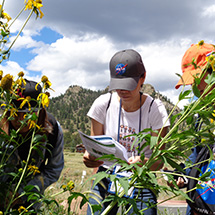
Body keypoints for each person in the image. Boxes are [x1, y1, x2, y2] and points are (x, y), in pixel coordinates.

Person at [83, 49, 170, 215]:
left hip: (141, 178)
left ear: (143, 78)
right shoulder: (103, 104)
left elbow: (159, 160)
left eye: (128, 85)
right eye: (118, 86)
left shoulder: (155, 110)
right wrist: (90, 159)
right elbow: (94, 149)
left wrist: (143, 163)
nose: (123, 91)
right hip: (107, 174)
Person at [0, 79, 64, 212]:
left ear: (40, 111)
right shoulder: (1, 127)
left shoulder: (53, 130)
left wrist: (23, 192)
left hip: (29, 203)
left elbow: (54, 170)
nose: (21, 119)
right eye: (16, 112)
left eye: (28, 113)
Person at [174, 41, 215, 215]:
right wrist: (183, 172)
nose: (194, 86)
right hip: (200, 201)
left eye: (197, 79)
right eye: (191, 81)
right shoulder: (202, 112)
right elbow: (198, 153)